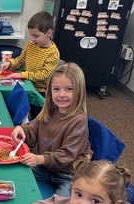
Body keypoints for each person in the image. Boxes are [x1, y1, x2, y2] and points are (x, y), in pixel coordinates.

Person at [10, 62, 90, 197]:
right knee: (15, 172)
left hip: (68, 175)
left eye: (69, 89)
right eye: (56, 89)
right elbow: (34, 127)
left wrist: (40, 159)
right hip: (46, 167)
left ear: (79, 91)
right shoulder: (50, 110)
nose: (61, 94)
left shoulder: (79, 120)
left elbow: (67, 155)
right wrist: (22, 130)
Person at [0, 11, 60, 95]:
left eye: (36, 36)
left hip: (41, 91)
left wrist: (22, 75)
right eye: (31, 35)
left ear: (49, 33)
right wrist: (9, 63)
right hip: (26, 83)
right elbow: (20, 60)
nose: (32, 39)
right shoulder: (30, 45)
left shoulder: (53, 53)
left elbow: (43, 75)